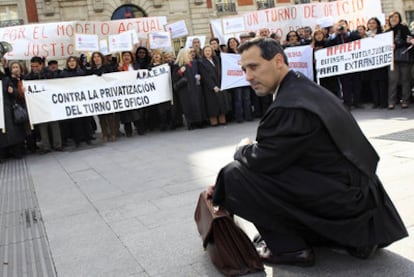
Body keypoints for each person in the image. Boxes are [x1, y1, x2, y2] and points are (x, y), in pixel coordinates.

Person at [207, 38, 408, 266]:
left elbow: (262, 162)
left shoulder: (289, 105)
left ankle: (291, 250)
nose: (248, 76)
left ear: (278, 61)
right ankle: (332, 237)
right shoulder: (303, 88)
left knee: (234, 175)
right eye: (244, 69)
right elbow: (283, 154)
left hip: (345, 201)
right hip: (356, 195)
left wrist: (242, 148)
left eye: (254, 67)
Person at [386, 11, 412, 109]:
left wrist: (397, 45)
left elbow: (409, 40)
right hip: (392, 59)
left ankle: (405, 101)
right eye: (392, 17)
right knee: (393, 80)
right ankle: (391, 102)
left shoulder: (404, 28)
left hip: (404, 58)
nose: (394, 18)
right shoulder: (387, 32)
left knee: (405, 80)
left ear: (399, 18)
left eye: (396, 17)